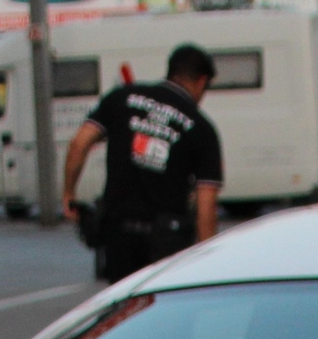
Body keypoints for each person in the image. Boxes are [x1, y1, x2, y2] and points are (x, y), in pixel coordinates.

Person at [62, 43, 224, 283]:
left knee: (122, 308)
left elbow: (79, 143)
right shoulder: (202, 129)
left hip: (117, 234)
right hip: (166, 240)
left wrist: (68, 193)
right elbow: (206, 205)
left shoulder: (122, 97)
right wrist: (206, 260)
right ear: (201, 81)